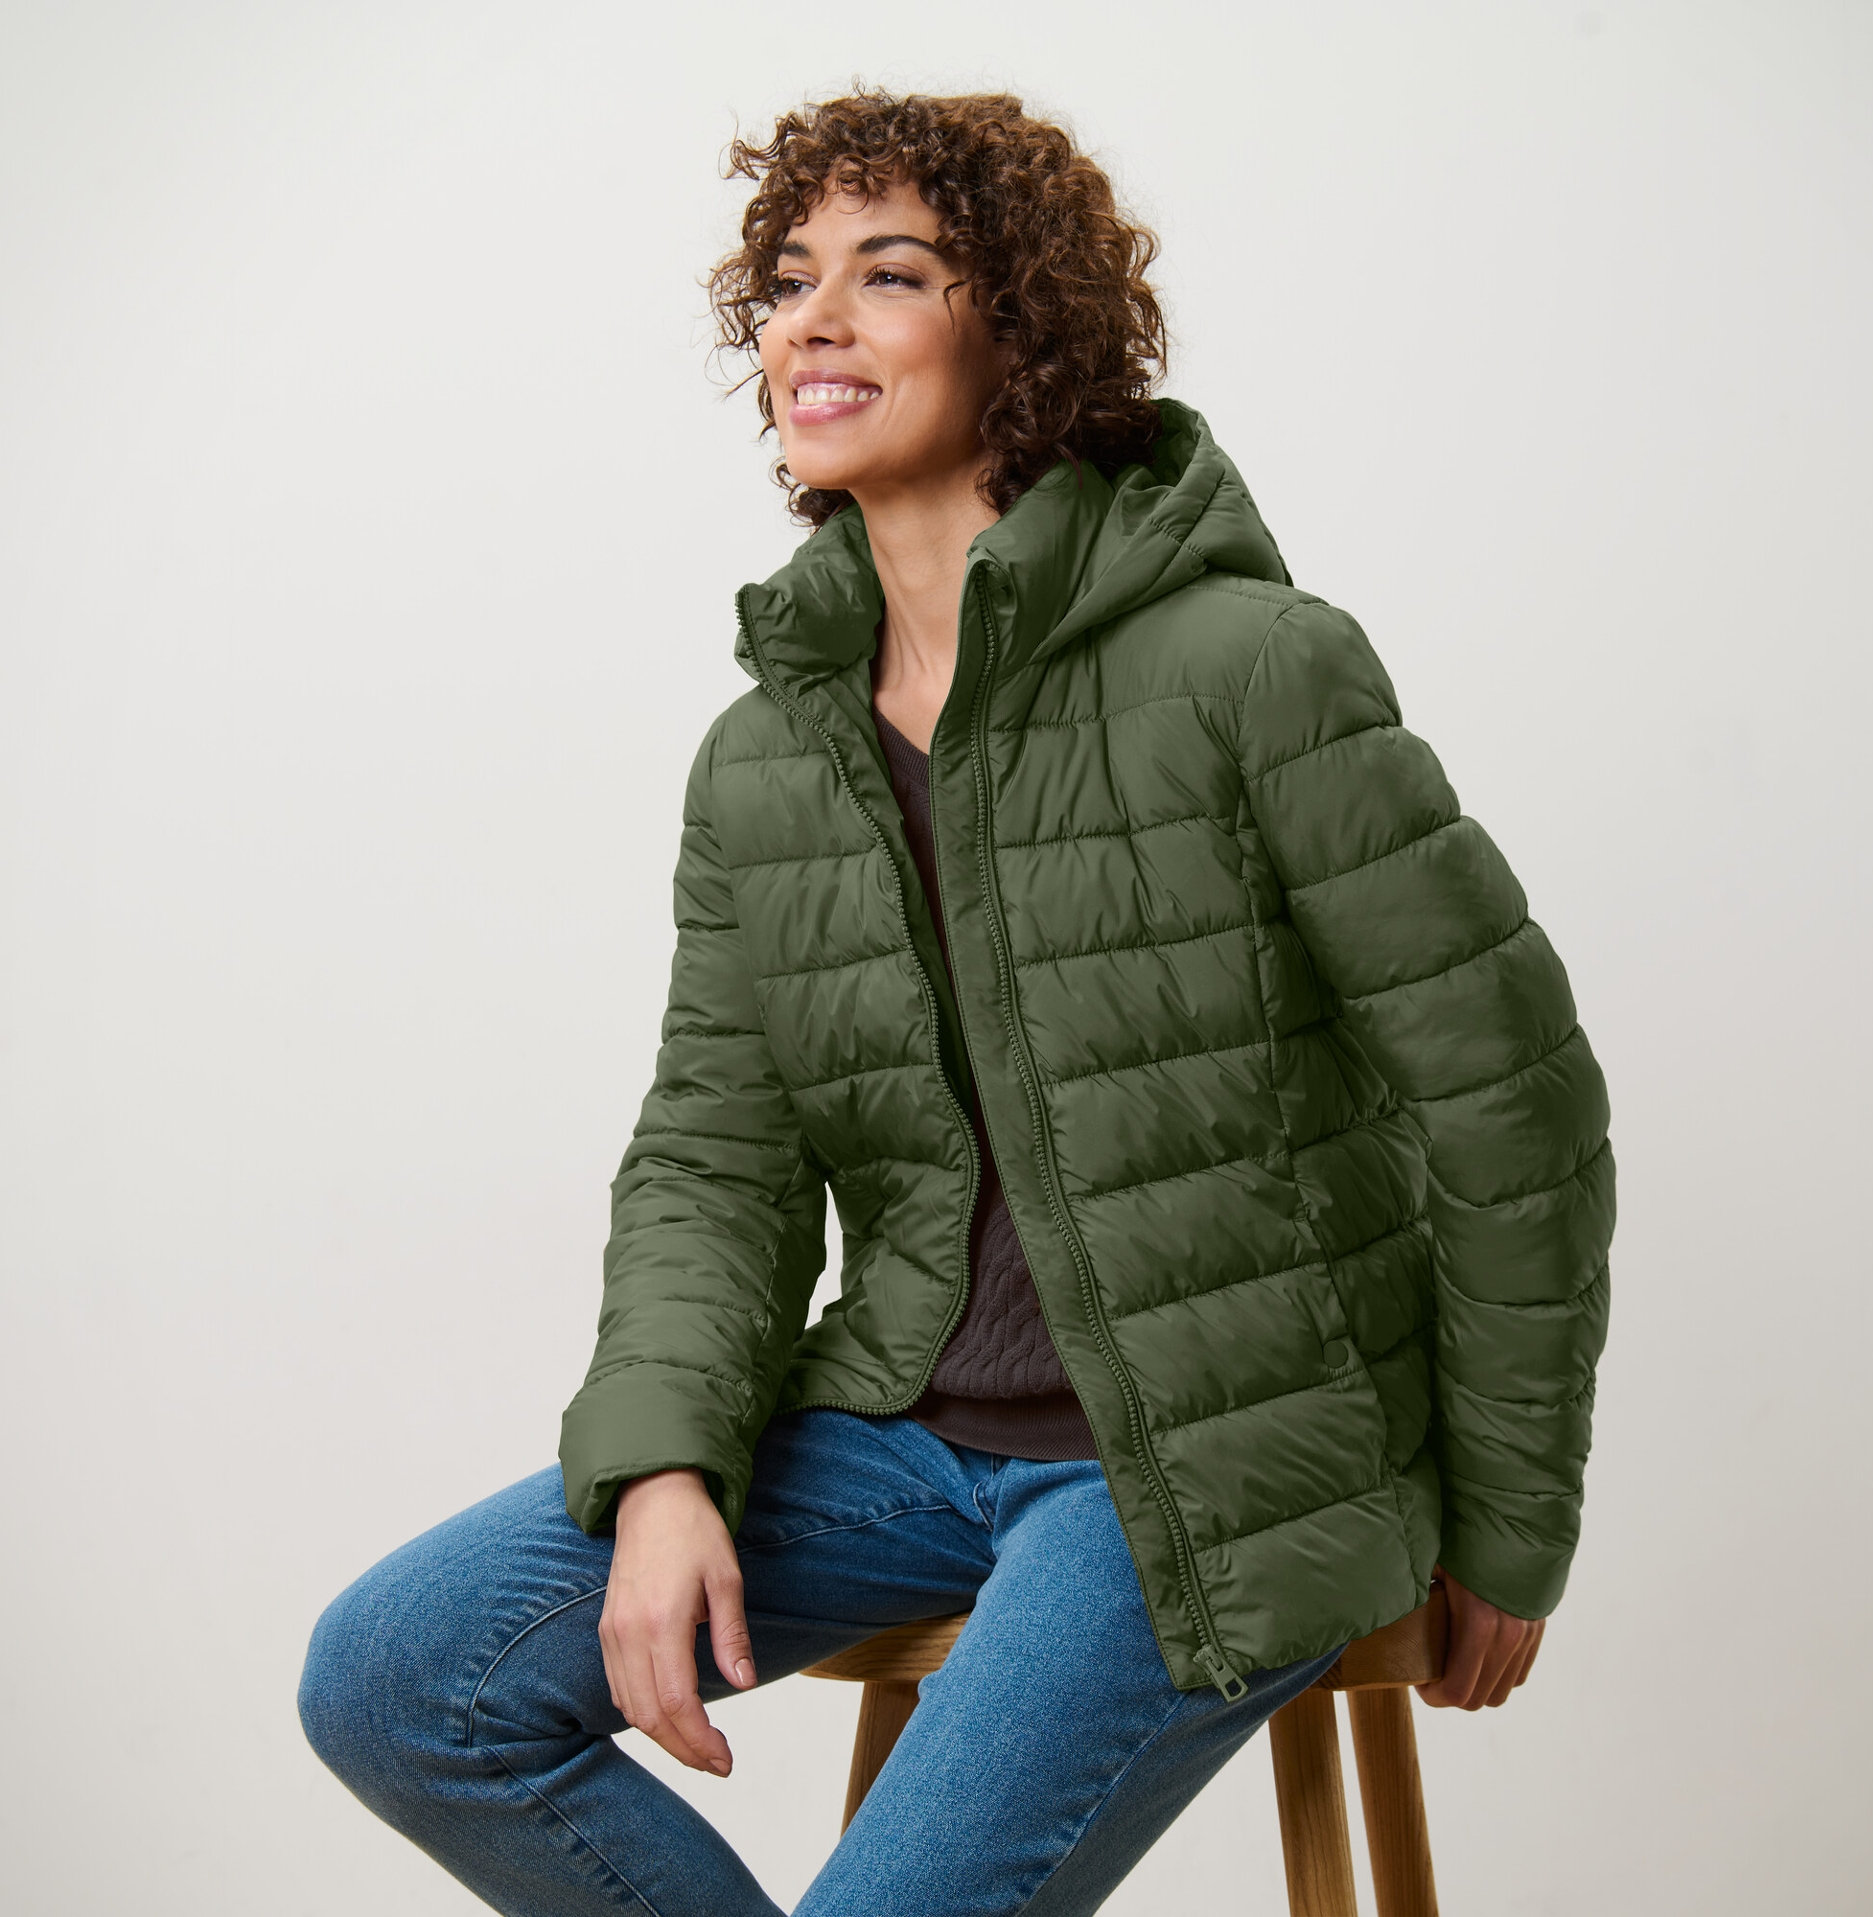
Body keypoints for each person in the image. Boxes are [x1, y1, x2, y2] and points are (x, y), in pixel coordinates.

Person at [298, 90, 1614, 1916]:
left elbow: (1511, 1103)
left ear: (1025, 331)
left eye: (890, 274)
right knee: (395, 1678)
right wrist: (666, 1465)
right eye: (787, 281)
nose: (811, 321)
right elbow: (715, 1159)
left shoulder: (1251, 668)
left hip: (1206, 1456)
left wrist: (1513, 1521)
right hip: (903, 1434)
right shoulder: (765, 758)